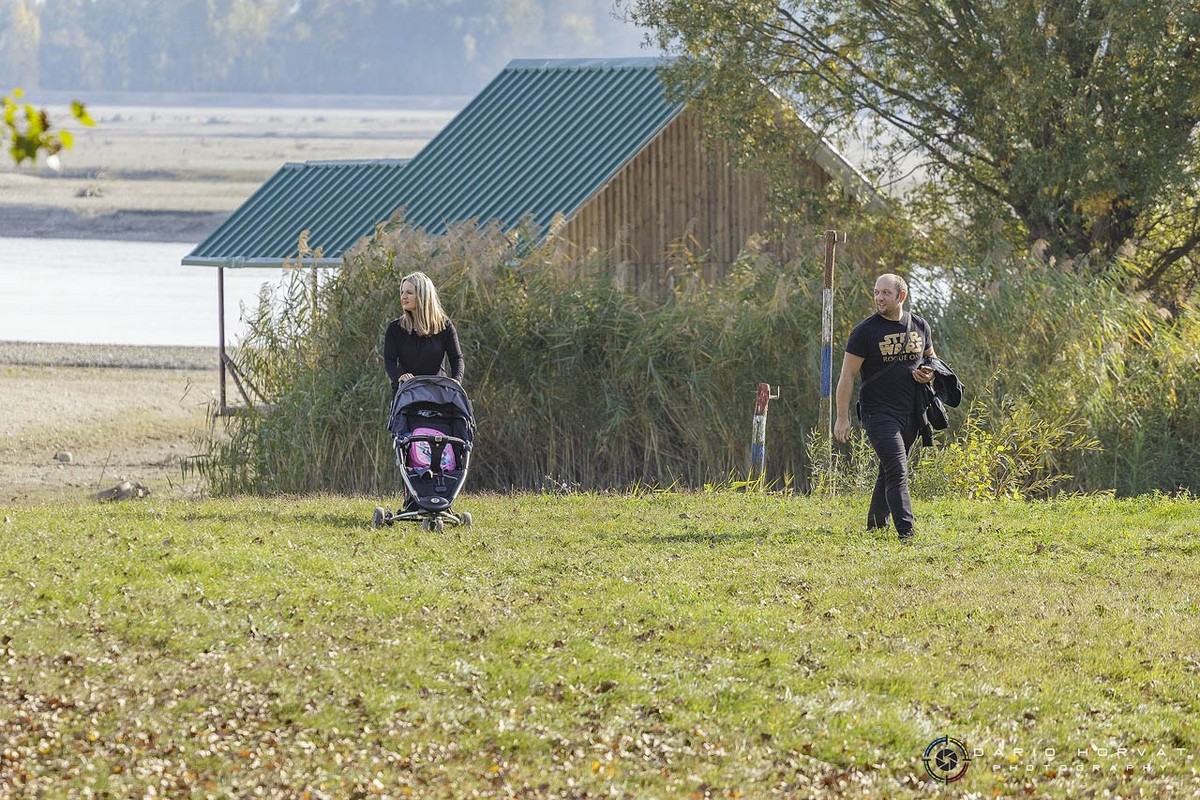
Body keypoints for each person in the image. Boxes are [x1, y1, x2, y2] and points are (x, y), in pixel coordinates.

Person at [833, 273, 936, 543]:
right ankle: (907, 533)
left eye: (885, 293)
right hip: (878, 412)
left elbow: (932, 362)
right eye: (876, 292)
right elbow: (847, 376)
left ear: (901, 296)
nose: (878, 297)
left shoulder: (920, 325)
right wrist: (842, 418)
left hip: (913, 411)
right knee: (897, 469)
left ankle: (876, 525)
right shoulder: (865, 332)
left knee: (889, 469)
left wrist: (928, 373)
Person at [382, 271, 464, 397]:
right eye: (402, 292)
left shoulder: (444, 326)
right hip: (407, 393)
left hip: (438, 393)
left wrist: (456, 381)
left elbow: (456, 358)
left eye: (409, 293)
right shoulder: (395, 328)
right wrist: (399, 376)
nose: (403, 296)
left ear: (423, 295)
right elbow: (389, 360)